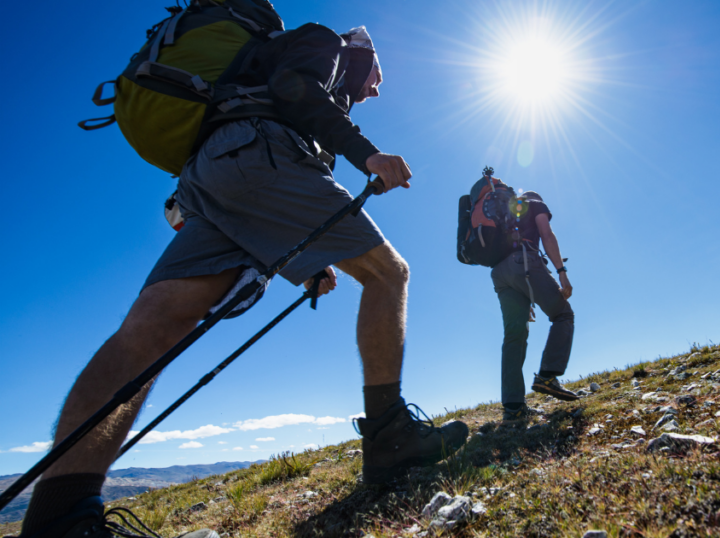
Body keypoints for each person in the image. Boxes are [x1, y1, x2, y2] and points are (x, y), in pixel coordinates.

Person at [15, 20, 468, 538]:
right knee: (388, 274)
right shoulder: (329, 44)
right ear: (360, 54)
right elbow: (293, 91)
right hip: (260, 152)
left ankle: (58, 516)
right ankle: (390, 439)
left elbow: (272, 164)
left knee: (153, 325)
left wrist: (308, 265)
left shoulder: (259, 66)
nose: (376, 89)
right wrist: (365, 153)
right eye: (377, 76)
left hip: (210, 173)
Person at [492, 191, 578, 421]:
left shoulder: (503, 213)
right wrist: (562, 273)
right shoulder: (535, 203)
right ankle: (547, 376)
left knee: (514, 336)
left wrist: (524, 295)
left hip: (500, 274)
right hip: (525, 261)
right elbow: (546, 234)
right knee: (563, 314)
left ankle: (513, 408)